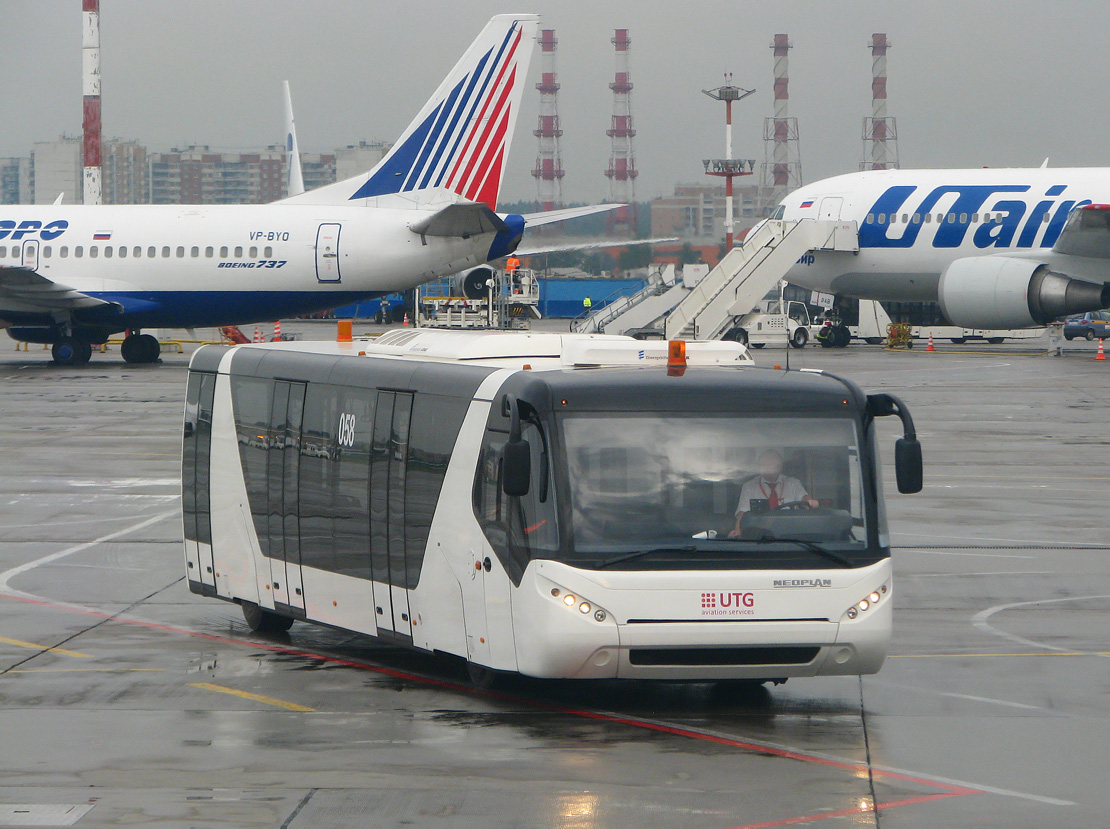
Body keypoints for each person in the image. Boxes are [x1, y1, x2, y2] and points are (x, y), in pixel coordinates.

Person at [728, 449, 818, 538]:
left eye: (772, 465)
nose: (768, 468)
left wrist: (810, 502)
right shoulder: (749, 486)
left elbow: (804, 498)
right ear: (759, 467)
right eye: (764, 465)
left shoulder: (793, 483)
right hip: (760, 536)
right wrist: (738, 531)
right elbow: (742, 513)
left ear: (780, 466)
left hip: (790, 536)